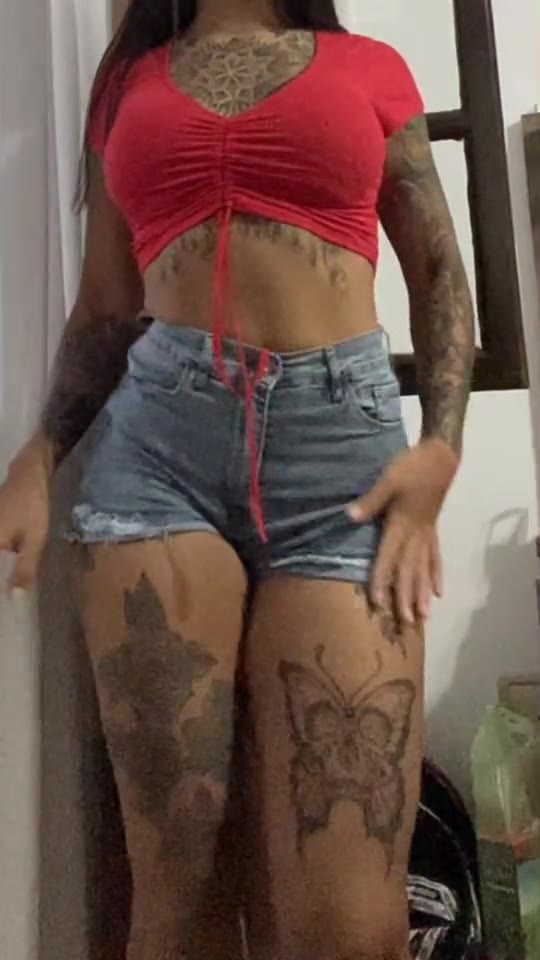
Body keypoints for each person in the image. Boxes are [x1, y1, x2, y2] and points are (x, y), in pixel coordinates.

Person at [0, 0, 475, 958]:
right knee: (178, 895)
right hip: (157, 459)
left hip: (342, 464)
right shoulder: (125, 86)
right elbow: (105, 307)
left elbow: (437, 272)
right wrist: (38, 456)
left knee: (350, 931)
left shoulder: (370, 67)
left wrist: (442, 448)